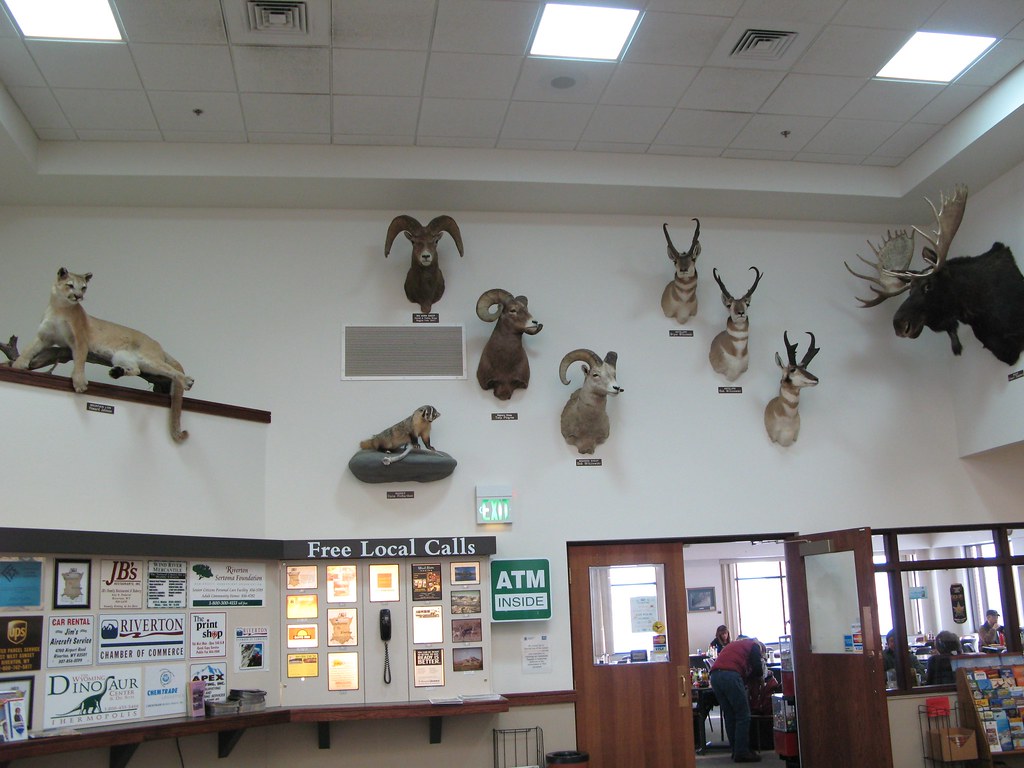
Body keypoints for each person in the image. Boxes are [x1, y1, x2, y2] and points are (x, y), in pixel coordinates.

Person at [709, 635, 766, 763]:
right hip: (730, 675)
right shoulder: (754, 645)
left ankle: (736, 750)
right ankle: (742, 752)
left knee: (730, 715)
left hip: (715, 677)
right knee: (743, 715)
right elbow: (758, 669)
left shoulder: (735, 645)